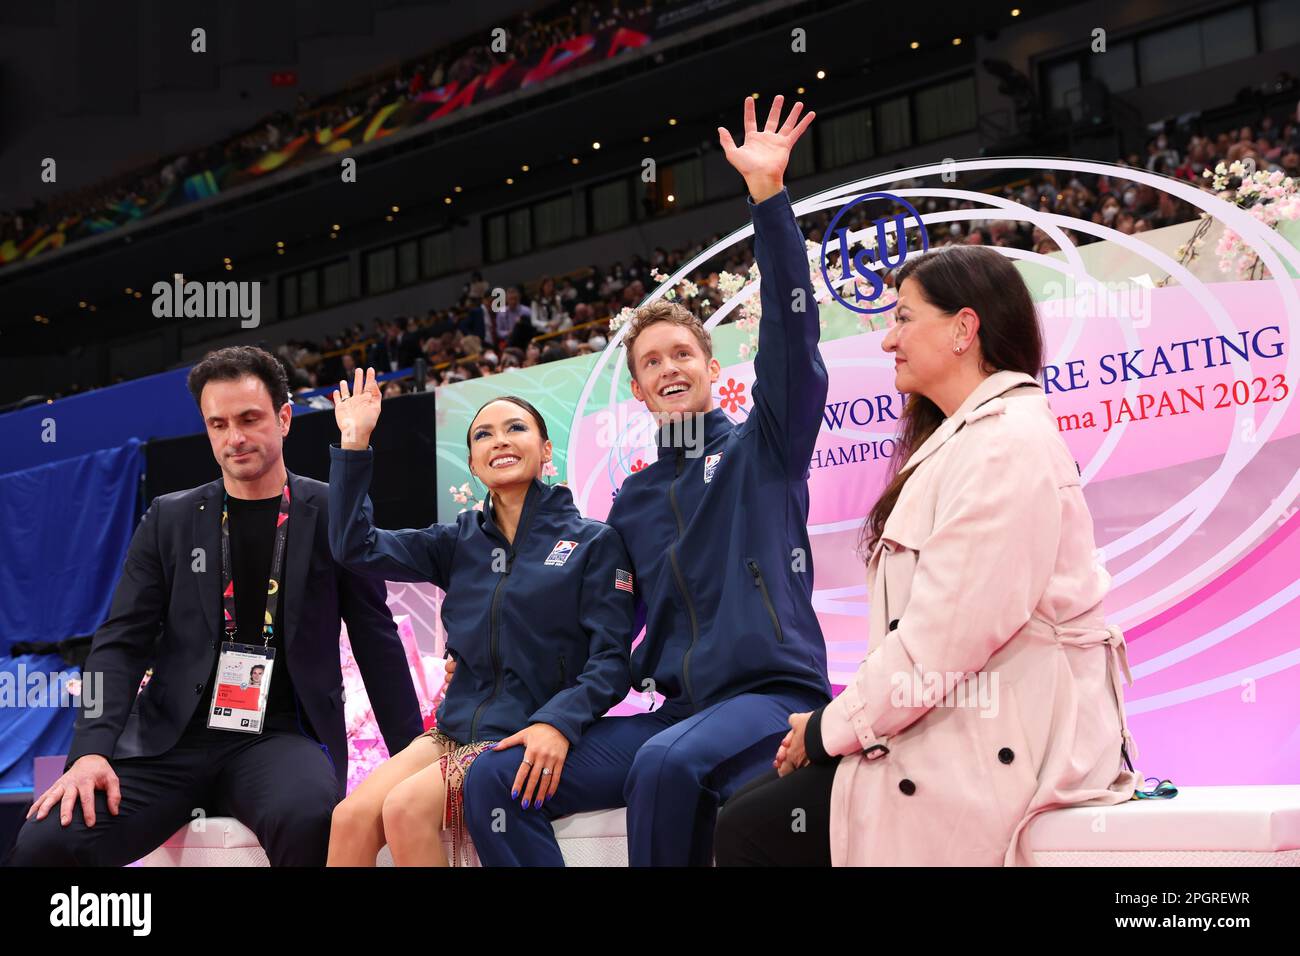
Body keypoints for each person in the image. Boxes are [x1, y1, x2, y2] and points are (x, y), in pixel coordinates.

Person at [464, 94, 830, 866]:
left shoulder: (765, 444)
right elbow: (605, 639)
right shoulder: (628, 500)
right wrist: (556, 718)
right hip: (677, 716)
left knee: (668, 766)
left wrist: (769, 198)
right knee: (496, 780)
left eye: (682, 355)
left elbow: (793, 335)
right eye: (652, 361)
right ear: (637, 389)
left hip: (773, 702)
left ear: (711, 369)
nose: (668, 368)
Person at [713, 245, 1141, 866]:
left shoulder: (1004, 446)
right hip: (964, 717)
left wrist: (827, 729)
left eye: (904, 318)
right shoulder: (968, 439)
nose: (889, 340)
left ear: (964, 328)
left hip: (1009, 735)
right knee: (749, 810)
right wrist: (834, 725)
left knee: (752, 825)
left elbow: (942, 641)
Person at [6, 347, 423, 867]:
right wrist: (90, 751)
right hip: (169, 743)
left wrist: (415, 756)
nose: (235, 438)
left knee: (311, 819)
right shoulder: (169, 518)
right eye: (218, 424)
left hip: (281, 738)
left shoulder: (328, 513)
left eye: (249, 419)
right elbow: (120, 643)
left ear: (285, 418)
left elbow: (375, 639)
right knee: (48, 841)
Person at [325, 371, 635, 866]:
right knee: (349, 817)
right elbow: (353, 546)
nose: (500, 441)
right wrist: (355, 443)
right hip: (453, 730)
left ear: (546, 449)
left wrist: (558, 721)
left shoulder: (592, 542)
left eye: (516, 428)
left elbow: (611, 662)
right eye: (483, 435)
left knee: (405, 809)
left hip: (523, 732)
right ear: (471, 462)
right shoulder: (458, 542)